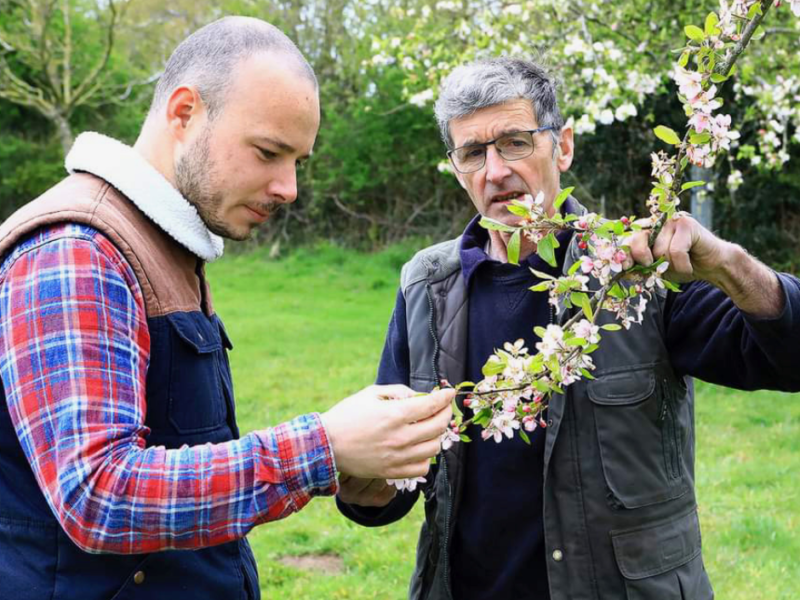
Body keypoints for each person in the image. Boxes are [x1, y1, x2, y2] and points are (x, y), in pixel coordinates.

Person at [0, 17, 453, 600]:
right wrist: (324, 445)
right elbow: (98, 495)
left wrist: (349, 458)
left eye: (298, 162)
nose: (289, 187)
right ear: (184, 112)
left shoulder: (161, 241)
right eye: (268, 152)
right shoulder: (78, 251)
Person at [337, 56, 800, 600]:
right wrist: (364, 487)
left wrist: (728, 265)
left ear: (564, 146)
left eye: (514, 142)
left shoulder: (636, 266)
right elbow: (391, 479)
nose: (495, 171)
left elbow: (789, 356)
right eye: (472, 153)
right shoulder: (425, 285)